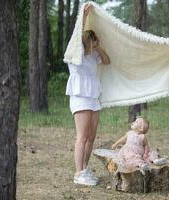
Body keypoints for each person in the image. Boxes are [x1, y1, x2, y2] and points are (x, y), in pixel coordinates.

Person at [65, 4, 110, 186]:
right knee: (82, 136)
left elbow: (107, 61)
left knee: (91, 136)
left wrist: (98, 48)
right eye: (92, 39)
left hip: (93, 97)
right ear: (85, 39)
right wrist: (83, 16)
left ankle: (84, 167)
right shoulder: (75, 54)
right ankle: (78, 173)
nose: (95, 40)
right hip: (80, 96)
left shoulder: (93, 56)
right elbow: (77, 36)